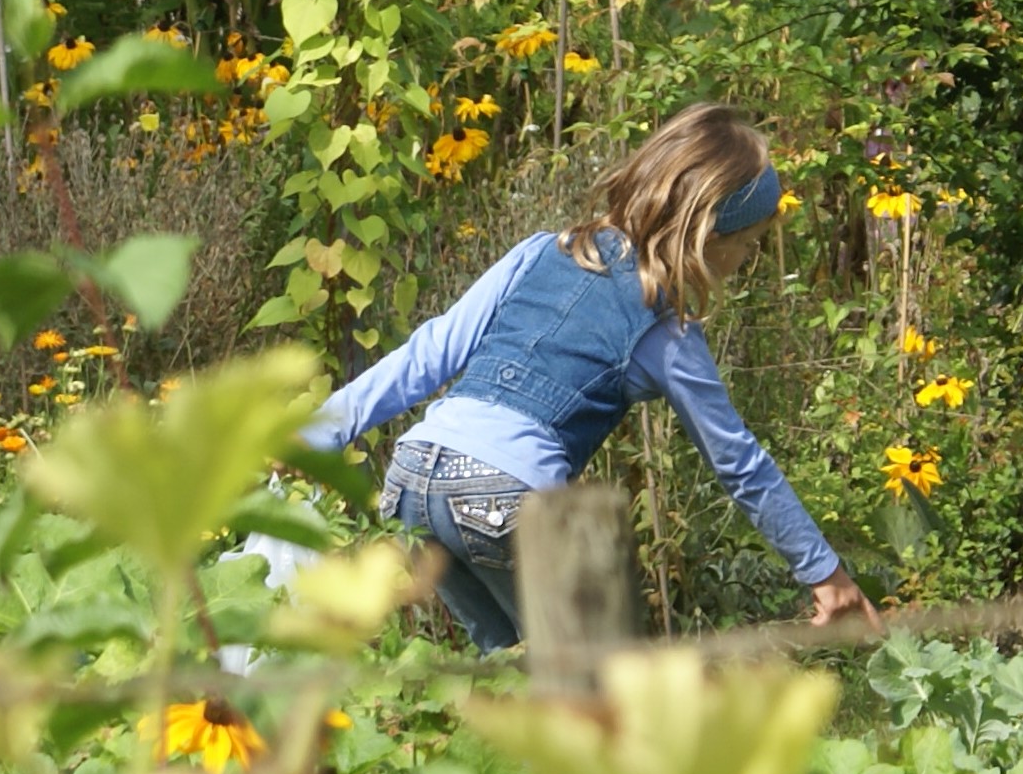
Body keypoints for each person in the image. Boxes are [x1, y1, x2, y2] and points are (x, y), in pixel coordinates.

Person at [303, 101, 880, 650]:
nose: (745, 261)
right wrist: (824, 571)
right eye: (748, 246)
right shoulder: (666, 325)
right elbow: (739, 462)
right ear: (707, 237)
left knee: (509, 672)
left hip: (412, 477)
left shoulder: (541, 251)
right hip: (504, 498)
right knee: (601, 689)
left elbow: (429, 352)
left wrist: (315, 436)